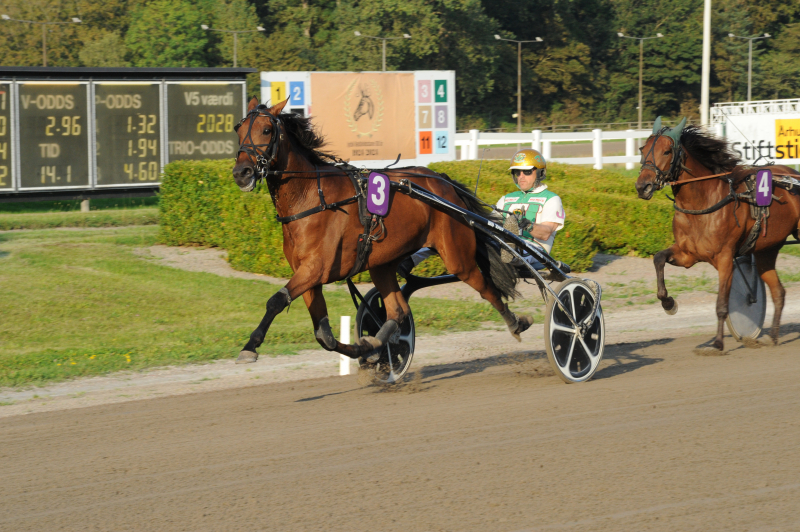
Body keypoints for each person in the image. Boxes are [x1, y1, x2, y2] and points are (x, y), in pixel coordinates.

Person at [400, 149, 565, 275]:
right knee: (450, 234)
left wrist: (523, 226)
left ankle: (509, 252)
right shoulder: (507, 198)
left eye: (527, 172)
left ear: (540, 172)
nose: (521, 176)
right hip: (500, 244)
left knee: (509, 238)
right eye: (517, 172)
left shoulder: (551, 199)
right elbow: (491, 223)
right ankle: (408, 260)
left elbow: (545, 234)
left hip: (533, 250)